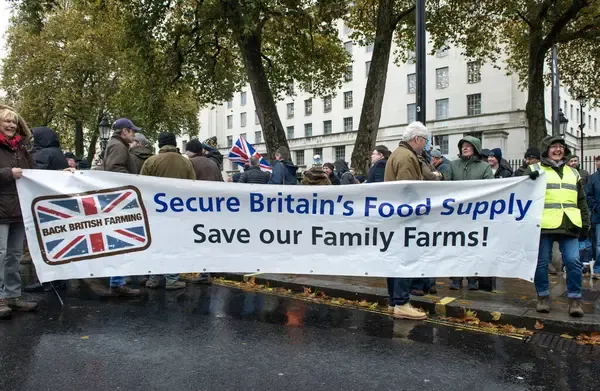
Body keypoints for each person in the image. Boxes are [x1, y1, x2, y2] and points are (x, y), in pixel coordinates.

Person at [524, 136, 589, 317]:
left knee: (574, 261)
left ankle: (575, 300)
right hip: (543, 224)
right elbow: (519, 189)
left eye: (560, 147)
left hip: (569, 223)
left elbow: (581, 201)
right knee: (542, 263)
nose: (558, 150)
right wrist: (528, 177)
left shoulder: (574, 173)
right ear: (546, 150)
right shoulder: (534, 169)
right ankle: (543, 297)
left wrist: (586, 224)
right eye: (554, 147)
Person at [383, 121, 429, 320]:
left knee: (395, 258)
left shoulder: (397, 153)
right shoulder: (407, 157)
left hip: (395, 216)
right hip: (405, 217)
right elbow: (407, 189)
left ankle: (395, 300)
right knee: (405, 258)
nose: (425, 145)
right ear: (417, 139)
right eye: (425, 141)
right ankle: (401, 302)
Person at [140, 132, 195, 290]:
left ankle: (153, 278)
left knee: (156, 244)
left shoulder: (151, 161)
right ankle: (172, 279)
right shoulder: (186, 163)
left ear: (160, 145)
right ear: (174, 143)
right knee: (173, 244)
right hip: (177, 211)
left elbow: (142, 185)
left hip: (156, 210)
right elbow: (193, 185)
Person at [0, 105, 38, 318]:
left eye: (13, 122)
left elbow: (34, 173)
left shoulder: (21, 149)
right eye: (6, 121)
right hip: (1, 209)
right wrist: (7, 173)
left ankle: (13, 295)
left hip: (18, 208)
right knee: (0, 254)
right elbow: (11, 174)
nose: (11, 125)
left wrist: (63, 174)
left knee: (13, 254)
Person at [23, 126, 68, 293]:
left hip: (44, 206)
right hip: (56, 205)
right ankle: (59, 280)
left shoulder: (43, 154)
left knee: (44, 244)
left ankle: (46, 281)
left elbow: (33, 174)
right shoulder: (57, 152)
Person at [448, 136, 494, 290]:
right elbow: (445, 185)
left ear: (475, 148)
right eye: (463, 146)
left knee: (473, 247)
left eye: (468, 146)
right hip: (456, 215)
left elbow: (491, 188)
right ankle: (456, 278)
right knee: (456, 246)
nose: (465, 148)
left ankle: (473, 278)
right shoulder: (453, 165)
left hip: (476, 215)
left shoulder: (484, 167)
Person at [103, 118, 142, 297]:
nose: (134, 134)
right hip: (121, 200)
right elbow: (115, 169)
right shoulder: (118, 147)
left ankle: (117, 281)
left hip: (119, 199)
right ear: (124, 132)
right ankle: (117, 283)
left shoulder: (118, 146)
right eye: (132, 131)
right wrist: (133, 182)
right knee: (121, 241)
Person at [586, 155, 600, 280]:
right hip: (598, 215)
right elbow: (588, 195)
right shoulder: (593, 178)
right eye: (597, 161)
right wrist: (596, 207)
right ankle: (598, 269)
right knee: (599, 244)